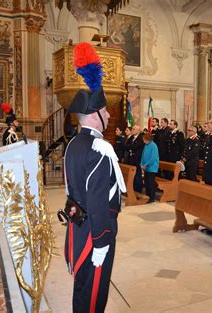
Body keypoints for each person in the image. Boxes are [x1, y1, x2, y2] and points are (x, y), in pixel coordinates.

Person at [63, 42, 126, 312]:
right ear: (95, 115)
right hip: (95, 231)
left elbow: (72, 191)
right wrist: (101, 240)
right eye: (105, 110)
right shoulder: (100, 148)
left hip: (78, 227)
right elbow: (99, 199)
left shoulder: (73, 144)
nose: (109, 114)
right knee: (94, 295)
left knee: (83, 285)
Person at [140, 134, 159, 203]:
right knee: (146, 182)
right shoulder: (146, 145)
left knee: (151, 183)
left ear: (148, 139)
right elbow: (143, 155)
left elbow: (153, 158)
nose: (143, 141)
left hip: (152, 167)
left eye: (144, 140)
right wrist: (141, 163)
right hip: (146, 167)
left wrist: (146, 165)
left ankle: (152, 198)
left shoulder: (153, 145)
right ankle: (147, 196)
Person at [127, 125, 144, 192]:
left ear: (138, 131)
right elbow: (126, 145)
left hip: (137, 159)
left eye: (133, 129)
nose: (132, 130)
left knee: (137, 175)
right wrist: (130, 147)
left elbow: (135, 147)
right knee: (132, 175)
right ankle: (132, 189)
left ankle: (138, 190)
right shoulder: (131, 137)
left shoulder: (141, 138)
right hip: (131, 158)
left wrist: (130, 147)